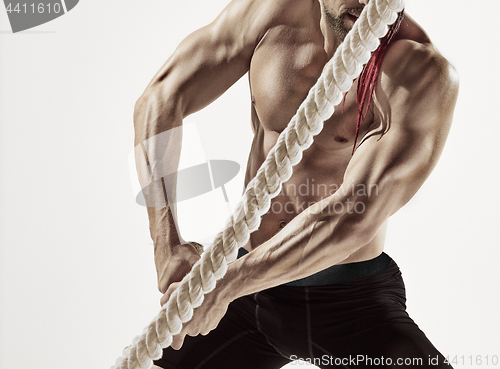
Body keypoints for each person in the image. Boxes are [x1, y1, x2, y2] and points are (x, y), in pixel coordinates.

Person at [133, 0, 459, 367]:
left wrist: (225, 286)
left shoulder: (419, 71)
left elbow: (353, 214)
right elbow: (162, 96)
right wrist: (166, 246)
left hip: (348, 303)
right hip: (241, 290)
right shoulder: (270, 15)